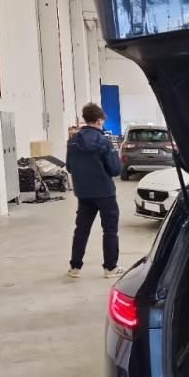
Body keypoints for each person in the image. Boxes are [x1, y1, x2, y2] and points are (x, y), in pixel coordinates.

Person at [66, 103, 124, 278]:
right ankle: (110, 268)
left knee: (81, 229)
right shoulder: (104, 142)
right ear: (99, 120)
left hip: (83, 193)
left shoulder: (72, 142)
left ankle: (75, 267)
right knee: (110, 230)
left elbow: (69, 167)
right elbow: (115, 170)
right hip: (105, 193)